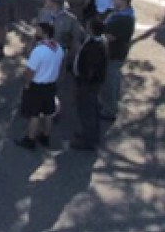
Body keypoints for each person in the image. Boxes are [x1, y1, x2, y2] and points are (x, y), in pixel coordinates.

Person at [16, 21, 65, 150]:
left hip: (37, 86)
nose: (35, 33)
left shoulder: (39, 50)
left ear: (45, 33)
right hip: (51, 85)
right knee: (48, 112)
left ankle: (30, 139)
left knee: (34, 114)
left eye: (38, 31)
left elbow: (30, 71)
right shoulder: (58, 48)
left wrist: (27, 84)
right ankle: (45, 136)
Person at [69, 15, 109, 151]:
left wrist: (83, 82)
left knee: (87, 111)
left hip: (88, 84)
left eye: (88, 26)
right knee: (91, 110)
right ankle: (89, 134)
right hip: (90, 83)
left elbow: (90, 70)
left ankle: (88, 140)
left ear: (92, 29)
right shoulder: (97, 41)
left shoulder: (95, 48)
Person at [100, 0, 136, 121]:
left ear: (124, 1)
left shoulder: (123, 20)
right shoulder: (120, 14)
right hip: (114, 53)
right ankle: (108, 104)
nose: (113, 0)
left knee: (109, 83)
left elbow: (109, 36)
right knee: (111, 80)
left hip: (114, 55)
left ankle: (110, 110)